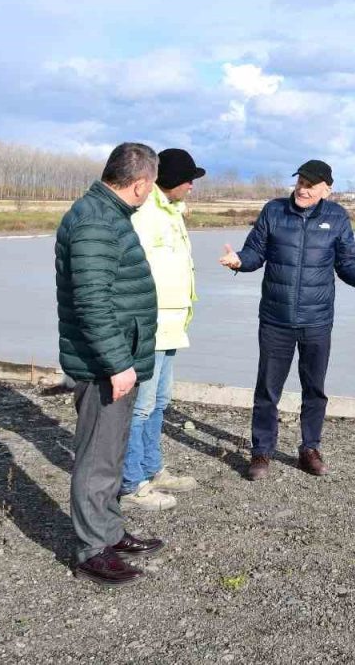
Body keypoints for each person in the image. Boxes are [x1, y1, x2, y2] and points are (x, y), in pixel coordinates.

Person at [218, 159, 355, 480]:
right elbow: (255, 252)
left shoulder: (337, 217)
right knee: (267, 389)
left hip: (317, 320)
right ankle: (261, 452)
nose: (303, 189)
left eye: (311, 185)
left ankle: (309, 449)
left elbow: (347, 263)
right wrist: (239, 260)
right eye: (300, 182)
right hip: (276, 318)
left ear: (327, 190)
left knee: (314, 389)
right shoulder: (274, 211)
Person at [55, 142, 164, 588]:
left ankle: (110, 531)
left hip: (116, 358)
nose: (150, 192)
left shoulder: (107, 215)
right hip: (103, 365)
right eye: (151, 185)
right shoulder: (95, 222)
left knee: (111, 453)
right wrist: (118, 363)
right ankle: (92, 550)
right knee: (97, 458)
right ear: (139, 184)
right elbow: (92, 301)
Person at [119, 148, 205, 512]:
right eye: (188, 180)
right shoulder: (144, 213)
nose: (191, 186)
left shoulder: (173, 211)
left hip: (172, 326)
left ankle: (152, 469)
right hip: (149, 325)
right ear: (172, 179)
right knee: (140, 407)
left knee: (159, 402)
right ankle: (131, 483)